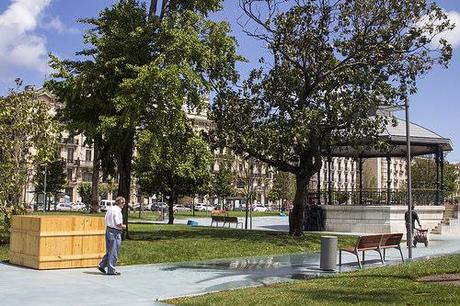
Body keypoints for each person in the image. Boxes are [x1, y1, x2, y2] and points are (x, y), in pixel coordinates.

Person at [98, 196, 126, 275]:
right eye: (123, 203)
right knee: (114, 251)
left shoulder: (110, 209)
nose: (124, 204)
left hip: (108, 230)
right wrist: (123, 226)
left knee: (110, 250)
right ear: (119, 203)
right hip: (115, 232)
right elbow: (118, 223)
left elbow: (106, 219)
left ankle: (102, 265)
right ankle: (111, 270)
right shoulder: (117, 211)